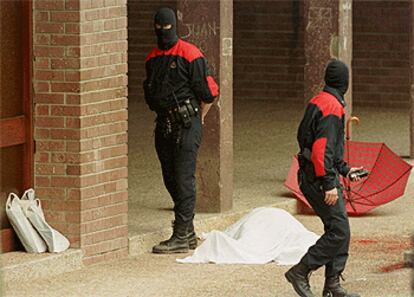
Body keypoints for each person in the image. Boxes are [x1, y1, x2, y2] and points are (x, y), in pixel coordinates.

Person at [285, 59, 363, 297]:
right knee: (339, 231)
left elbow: (323, 147)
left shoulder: (320, 100)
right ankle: (301, 271)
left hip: (312, 175)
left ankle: (332, 286)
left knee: (338, 229)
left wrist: (346, 170)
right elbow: (321, 150)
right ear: (345, 82)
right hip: (318, 180)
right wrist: (329, 183)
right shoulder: (332, 107)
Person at [143, 7, 219, 254]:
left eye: (166, 28)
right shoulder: (152, 58)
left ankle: (180, 234)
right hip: (164, 125)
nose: (163, 32)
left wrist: (200, 119)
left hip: (188, 124)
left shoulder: (190, 54)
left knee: (184, 178)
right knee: (170, 177)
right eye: (159, 28)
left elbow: (209, 93)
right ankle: (188, 233)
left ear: (174, 27)